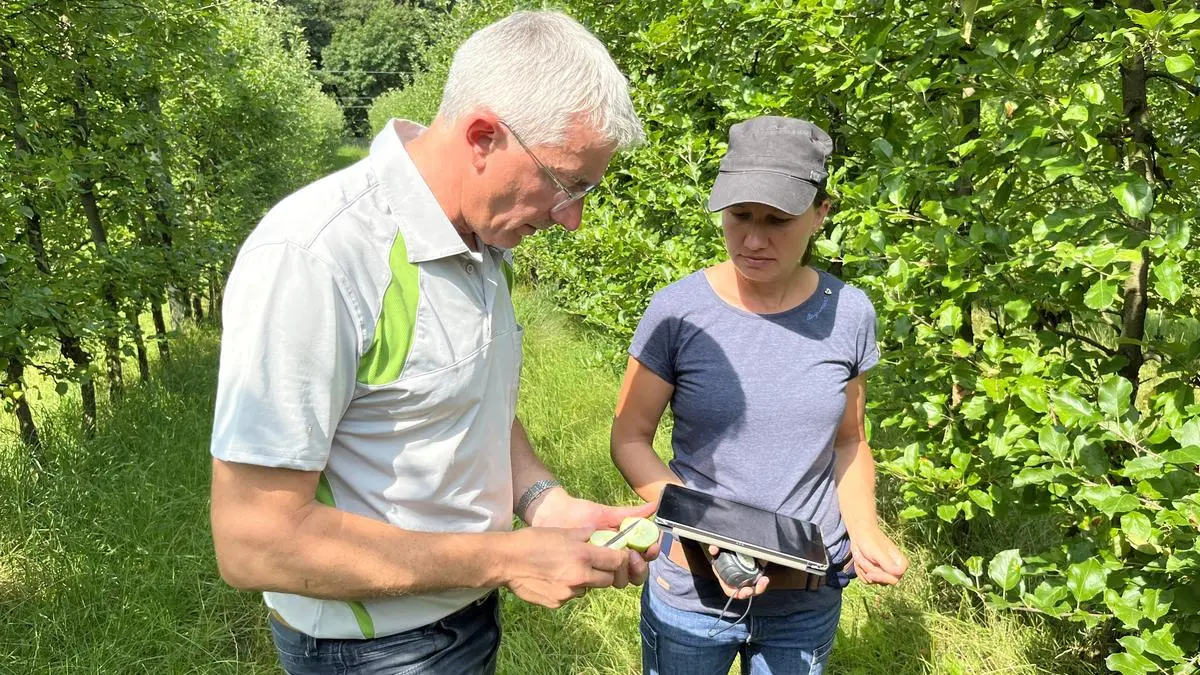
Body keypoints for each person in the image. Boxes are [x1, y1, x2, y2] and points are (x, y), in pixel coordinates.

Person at [208, 11, 657, 674]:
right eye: (566, 183)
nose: (573, 219)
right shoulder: (315, 257)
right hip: (370, 648)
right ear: (482, 136)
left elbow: (469, 404)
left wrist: (543, 502)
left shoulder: (482, 239)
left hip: (461, 614)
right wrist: (507, 556)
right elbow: (255, 540)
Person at [610, 116, 909, 675]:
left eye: (778, 220)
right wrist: (710, 533)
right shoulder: (677, 311)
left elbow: (849, 442)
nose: (753, 238)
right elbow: (629, 437)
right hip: (691, 591)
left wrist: (866, 531)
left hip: (806, 596)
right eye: (740, 216)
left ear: (820, 215)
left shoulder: (849, 314)